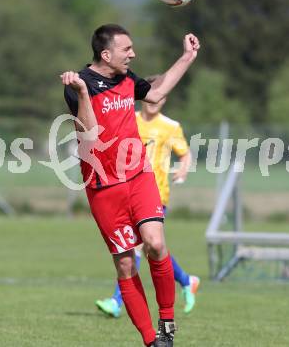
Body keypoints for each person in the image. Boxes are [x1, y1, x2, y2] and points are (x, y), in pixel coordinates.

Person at [61, 24, 200, 347]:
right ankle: (152, 341)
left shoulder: (127, 79)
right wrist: (82, 93)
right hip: (103, 187)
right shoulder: (79, 84)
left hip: (138, 176)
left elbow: (156, 92)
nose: (133, 54)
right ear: (106, 54)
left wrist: (186, 58)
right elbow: (89, 133)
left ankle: (167, 323)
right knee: (125, 264)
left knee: (154, 242)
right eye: (127, 50)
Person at [95, 91, 200, 319]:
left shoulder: (170, 126)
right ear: (143, 98)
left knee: (137, 247)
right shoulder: (128, 118)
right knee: (152, 247)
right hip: (126, 191)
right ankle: (186, 280)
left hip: (156, 194)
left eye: (160, 98)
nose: (155, 102)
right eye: (152, 97)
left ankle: (116, 301)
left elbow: (185, 154)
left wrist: (183, 168)